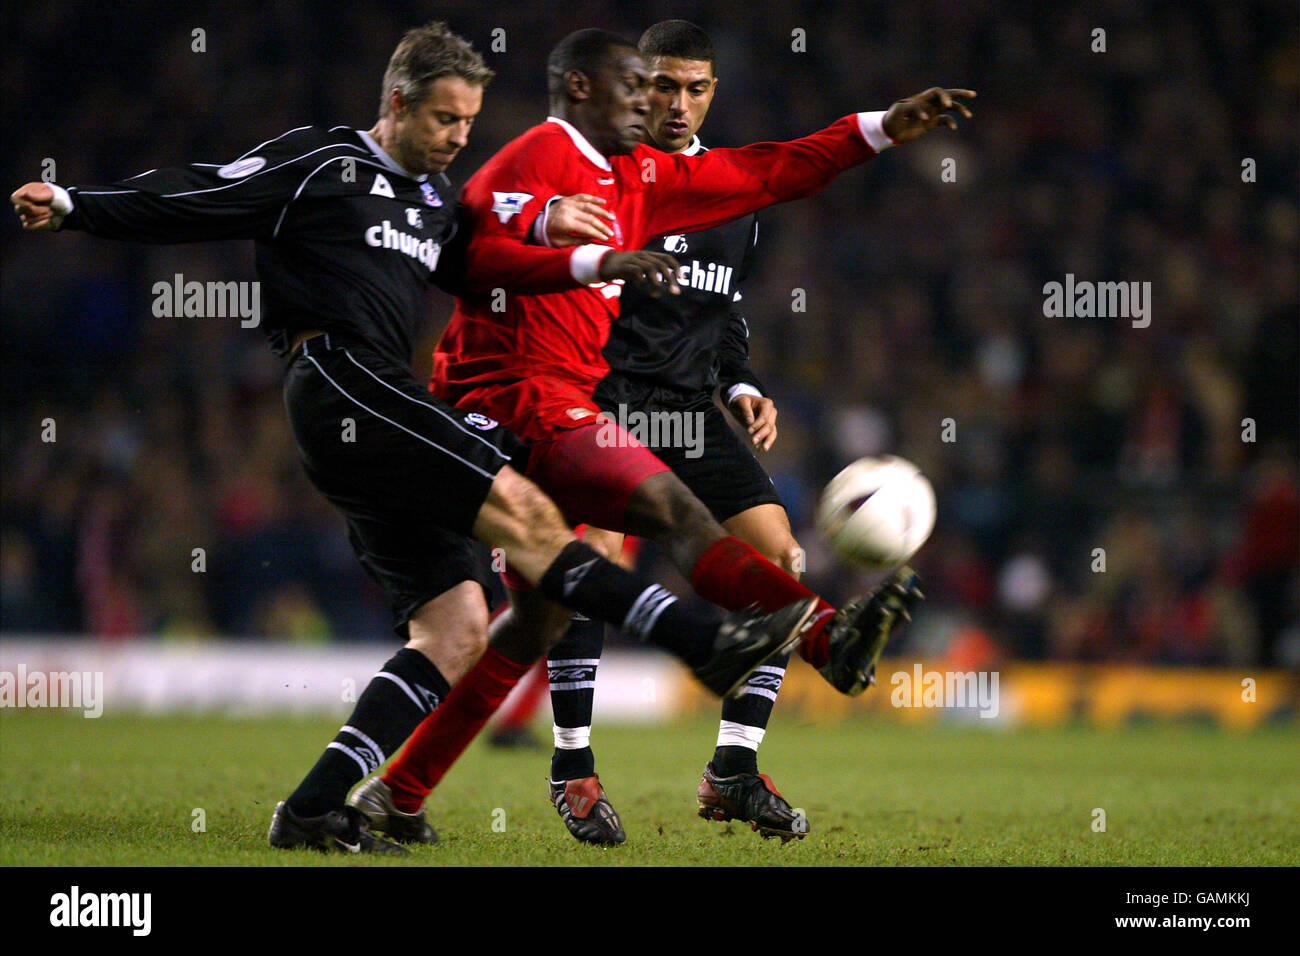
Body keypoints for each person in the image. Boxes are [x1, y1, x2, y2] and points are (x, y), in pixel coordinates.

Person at [9, 20, 817, 855]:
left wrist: (576, 253)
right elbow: (200, 193)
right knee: (533, 522)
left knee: (458, 628)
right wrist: (74, 206)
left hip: (380, 399)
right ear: (396, 103)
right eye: (443, 121)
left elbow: (481, 266)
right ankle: (697, 642)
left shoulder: (433, 204)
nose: (457, 140)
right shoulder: (326, 163)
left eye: (469, 123)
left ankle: (315, 808)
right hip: (337, 375)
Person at [351, 28, 963, 844]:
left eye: (683, 91)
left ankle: (408, 793)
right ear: (591, 89)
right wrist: (549, 228)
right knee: (614, 557)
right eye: (645, 89)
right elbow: (467, 239)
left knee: (570, 609)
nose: (660, 106)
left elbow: (764, 192)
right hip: (548, 405)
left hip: (654, 404)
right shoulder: (548, 157)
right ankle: (797, 645)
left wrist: (882, 127)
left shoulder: (671, 182)